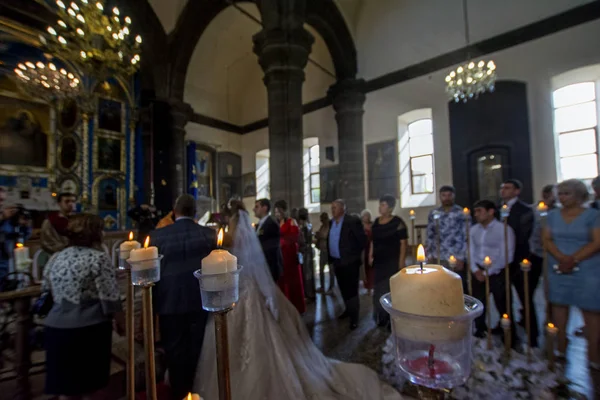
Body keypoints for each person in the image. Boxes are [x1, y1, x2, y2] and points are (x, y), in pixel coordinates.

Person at [192, 201, 402, 400]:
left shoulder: (242, 234)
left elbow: (258, 260)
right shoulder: (239, 233)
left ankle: (356, 315)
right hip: (243, 288)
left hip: (246, 290)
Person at [42, 213, 123, 399]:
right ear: (96, 233)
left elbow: (47, 288)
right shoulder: (98, 258)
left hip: (56, 329)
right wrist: (122, 324)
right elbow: (110, 299)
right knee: (89, 388)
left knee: (66, 389)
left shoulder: (56, 257)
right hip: (87, 330)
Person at [150, 194, 217, 400]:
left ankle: (179, 391)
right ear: (194, 211)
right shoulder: (208, 234)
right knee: (198, 346)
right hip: (201, 298)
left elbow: (154, 272)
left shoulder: (158, 236)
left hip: (169, 300)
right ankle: (197, 388)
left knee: (174, 347)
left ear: (174, 210)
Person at [543, 179, 600, 369]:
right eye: (560, 193)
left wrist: (573, 259)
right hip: (559, 266)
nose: (562, 197)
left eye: (567, 193)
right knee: (559, 307)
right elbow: (548, 239)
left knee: (590, 311)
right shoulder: (552, 215)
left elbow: (596, 241)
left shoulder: (592, 215)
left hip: (587, 267)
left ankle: (593, 354)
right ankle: (561, 347)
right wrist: (562, 258)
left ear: (579, 195)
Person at [469, 200, 516, 339]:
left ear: (491, 212)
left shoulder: (504, 229)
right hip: (478, 270)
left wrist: (488, 272)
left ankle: (508, 334)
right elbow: (470, 251)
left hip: (497, 271)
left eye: (480, 211)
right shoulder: (473, 230)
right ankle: (480, 329)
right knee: (478, 302)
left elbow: (507, 254)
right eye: (475, 211)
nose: (476, 215)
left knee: (503, 303)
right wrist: (474, 269)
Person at [499, 179, 533, 341]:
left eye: (507, 187)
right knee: (503, 297)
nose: (503, 190)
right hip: (500, 259)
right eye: (502, 188)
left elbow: (523, 235)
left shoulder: (524, 210)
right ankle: (506, 326)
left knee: (525, 296)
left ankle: (532, 331)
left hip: (519, 259)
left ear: (517, 191)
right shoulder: (497, 209)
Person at [328, 199, 367, 330]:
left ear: (343, 209)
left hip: (350, 262)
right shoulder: (331, 222)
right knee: (343, 288)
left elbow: (362, 240)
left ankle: (354, 318)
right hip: (337, 261)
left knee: (352, 291)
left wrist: (354, 256)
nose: (332, 210)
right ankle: (348, 309)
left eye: (335, 207)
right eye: (332, 207)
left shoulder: (352, 221)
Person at [526, 184, 557, 346]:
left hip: (555, 255)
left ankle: (551, 319)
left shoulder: (559, 212)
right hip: (535, 253)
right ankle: (527, 317)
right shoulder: (533, 209)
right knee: (529, 288)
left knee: (552, 289)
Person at [370, 195, 407, 328]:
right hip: (379, 261)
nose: (380, 207)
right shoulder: (376, 222)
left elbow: (403, 243)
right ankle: (380, 317)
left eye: (383, 205)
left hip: (392, 261)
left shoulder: (398, 222)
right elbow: (373, 241)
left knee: (390, 290)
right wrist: (370, 255)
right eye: (380, 204)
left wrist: (401, 261)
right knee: (378, 290)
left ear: (390, 207)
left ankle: (391, 319)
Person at [273, 200, 305, 314]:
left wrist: (282, 241)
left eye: (279, 211)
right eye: (276, 212)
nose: (277, 214)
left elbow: (294, 237)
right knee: (282, 279)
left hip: (289, 255)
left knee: (292, 280)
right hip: (280, 255)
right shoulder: (276, 223)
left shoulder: (292, 221)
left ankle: (295, 306)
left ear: (284, 211)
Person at [425, 185, 468, 269]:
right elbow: (430, 235)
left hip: (455, 254)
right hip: (437, 255)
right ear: (440, 197)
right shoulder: (434, 213)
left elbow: (466, 236)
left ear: (453, 196)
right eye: (444, 195)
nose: (446, 198)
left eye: (449, 195)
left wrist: (462, 257)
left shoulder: (461, 213)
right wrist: (429, 255)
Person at [0, 187, 32, 280]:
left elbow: (22, 237)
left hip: (8, 262)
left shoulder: (8, 219)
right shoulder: (3, 217)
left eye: (2, 200)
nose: (1, 203)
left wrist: (25, 225)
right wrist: (2, 218)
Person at [253, 198, 283, 282]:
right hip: (262, 265)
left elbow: (273, 246)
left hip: (270, 266)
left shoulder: (271, 223)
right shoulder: (259, 225)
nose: (254, 209)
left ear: (264, 208)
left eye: (257, 206)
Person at [298, 207, 315, 300]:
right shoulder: (309, 224)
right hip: (309, 250)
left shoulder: (303, 226)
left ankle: (308, 294)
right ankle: (311, 292)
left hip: (304, 251)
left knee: (306, 273)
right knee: (309, 272)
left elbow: (302, 240)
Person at [315, 212, 333, 294]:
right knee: (321, 269)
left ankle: (331, 288)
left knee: (331, 270)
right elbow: (320, 234)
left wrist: (321, 236)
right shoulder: (322, 226)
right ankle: (322, 287)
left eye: (323, 219)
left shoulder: (331, 226)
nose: (322, 221)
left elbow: (328, 236)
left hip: (329, 251)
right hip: (322, 250)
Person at [361, 209, 374, 295]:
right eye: (365, 216)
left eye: (368, 216)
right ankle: (367, 287)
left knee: (372, 267)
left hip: (371, 247)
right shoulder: (360, 226)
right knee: (365, 268)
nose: (367, 217)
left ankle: (372, 286)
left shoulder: (372, 225)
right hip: (363, 249)